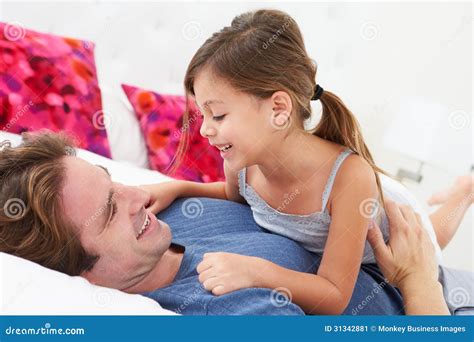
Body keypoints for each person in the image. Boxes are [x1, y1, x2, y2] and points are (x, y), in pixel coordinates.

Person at [142, 9, 473, 314]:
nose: (204, 129)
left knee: (432, 236)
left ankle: (464, 191)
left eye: (218, 114)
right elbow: (234, 198)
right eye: (203, 114)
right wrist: (178, 187)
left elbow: (334, 296)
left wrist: (257, 271)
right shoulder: (240, 162)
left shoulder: (348, 178)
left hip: (392, 227)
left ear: (279, 109)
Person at [1, 131, 460, 315]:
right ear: (75, 270)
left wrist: (180, 186)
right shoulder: (231, 311)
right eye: (110, 212)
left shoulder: (160, 213)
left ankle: (459, 193)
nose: (138, 196)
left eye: (113, 182)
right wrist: (420, 284)